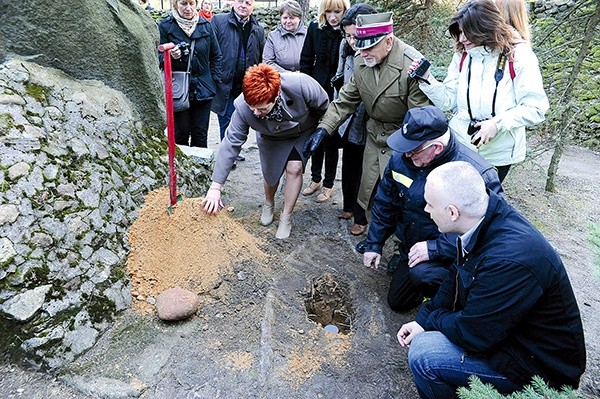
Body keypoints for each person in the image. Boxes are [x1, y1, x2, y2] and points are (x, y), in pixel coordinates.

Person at [397, 161, 586, 398]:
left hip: (537, 368)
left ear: (453, 212)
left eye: (431, 205)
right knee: (429, 334)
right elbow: (456, 276)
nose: (426, 210)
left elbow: (473, 335)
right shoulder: (484, 220)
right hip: (509, 336)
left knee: (425, 353)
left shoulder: (508, 259)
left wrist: (434, 320)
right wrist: (423, 320)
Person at [303, 12, 431, 242]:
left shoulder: (411, 64)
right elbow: (345, 101)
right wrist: (323, 130)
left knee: (403, 198)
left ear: (389, 41)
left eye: (369, 48)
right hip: (374, 136)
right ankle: (375, 238)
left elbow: (419, 118)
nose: (361, 53)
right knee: (369, 190)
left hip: (403, 140)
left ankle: (403, 246)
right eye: (359, 47)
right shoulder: (364, 58)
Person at [362, 106, 503, 311]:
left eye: (413, 150)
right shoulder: (401, 159)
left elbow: (487, 230)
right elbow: (385, 202)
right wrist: (374, 243)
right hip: (413, 245)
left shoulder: (477, 175)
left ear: (436, 147)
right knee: (398, 303)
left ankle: (458, 302)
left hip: (455, 255)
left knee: (424, 276)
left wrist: (434, 248)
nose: (407, 154)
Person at [408, 0, 548, 182]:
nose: (461, 39)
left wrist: (497, 124)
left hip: (498, 155)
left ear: (484, 28)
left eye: (467, 33)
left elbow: (536, 107)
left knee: (482, 205)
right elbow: (448, 101)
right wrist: (428, 80)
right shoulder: (463, 54)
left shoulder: (519, 55)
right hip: (460, 144)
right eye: (459, 32)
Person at [201, 64, 329, 239]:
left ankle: (286, 216)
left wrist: (322, 129)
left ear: (276, 96)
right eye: (252, 106)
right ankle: (269, 203)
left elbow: (325, 105)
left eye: (261, 109)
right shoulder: (243, 107)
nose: (255, 112)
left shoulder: (300, 84)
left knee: (295, 169)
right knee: (271, 174)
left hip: (302, 130)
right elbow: (231, 142)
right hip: (270, 135)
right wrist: (216, 186)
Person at [330, 3, 377, 235]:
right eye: (347, 36)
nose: (351, 41)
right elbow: (340, 74)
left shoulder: (374, 51)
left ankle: (361, 216)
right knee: (348, 163)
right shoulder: (344, 46)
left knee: (366, 171)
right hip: (349, 115)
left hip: (369, 119)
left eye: (354, 36)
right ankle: (348, 205)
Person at [299, 0, 350, 203]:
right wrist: (307, 88)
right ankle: (315, 179)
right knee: (315, 136)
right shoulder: (315, 28)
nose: (333, 16)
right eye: (328, 11)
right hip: (316, 90)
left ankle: (329, 184)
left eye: (337, 11)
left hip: (339, 92)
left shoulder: (347, 32)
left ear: (344, 10)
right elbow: (306, 59)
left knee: (330, 140)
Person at [159, 0, 222, 148]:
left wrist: (214, 80)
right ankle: (182, 170)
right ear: (175, 4)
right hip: (179, 89)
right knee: (181, 134)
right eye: (183, 4)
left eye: (191, 3)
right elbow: (158, 57)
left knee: (200, 134)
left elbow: (216, 56)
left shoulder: (205, 25)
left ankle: (201, 170)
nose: (188, 8)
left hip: (203, 88)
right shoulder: (166, 26)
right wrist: (170, 56)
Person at [211, 0, 265, 161]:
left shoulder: (258, 29)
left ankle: (234, 150)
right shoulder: (219, 22)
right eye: (240, 1)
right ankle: (227, 155)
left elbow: (261, 56)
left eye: (248, 2)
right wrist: (216, 75)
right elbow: (212, 50)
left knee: (241, 119)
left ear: (253, 6)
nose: (243, 5)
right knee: (226, 119)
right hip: (225, 82)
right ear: (233, 3)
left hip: (247, 85)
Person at [262, 0, 307, 73]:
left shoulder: (308, 34)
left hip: (306, 78)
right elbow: (267, 62)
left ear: (299, 18)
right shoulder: (273, 36)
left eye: (292, 18)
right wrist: (288, 74)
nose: (288, 21)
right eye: (285, 18)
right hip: (281, 79)